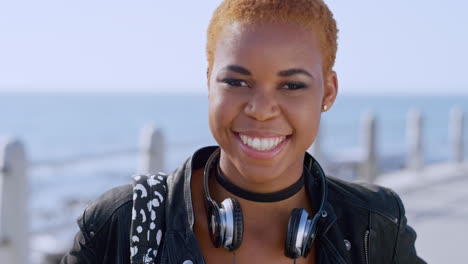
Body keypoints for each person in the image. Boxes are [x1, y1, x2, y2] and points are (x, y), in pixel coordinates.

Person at [61, 0, 426, 263]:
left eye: (292, 85)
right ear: (209, 83)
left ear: (327, 92)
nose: (261, 110)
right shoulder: (124, 222)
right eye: (237, 81)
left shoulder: (374, 225)